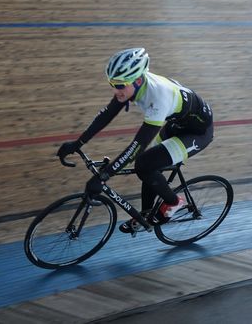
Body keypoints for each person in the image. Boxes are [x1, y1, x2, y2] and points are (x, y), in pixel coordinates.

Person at [57, 47, 214, 233]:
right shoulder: (131, 86)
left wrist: (103, 176)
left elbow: (137, 146)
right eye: (112, 84)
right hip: (177, 124)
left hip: (197, 133)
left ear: (138, 80)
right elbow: (106, 115)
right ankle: (146, 214)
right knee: (148, 164)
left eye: (120, 85)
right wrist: (78, 143)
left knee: (144, 163)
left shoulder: (157, 98)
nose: (115, 90)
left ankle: (174, 202)